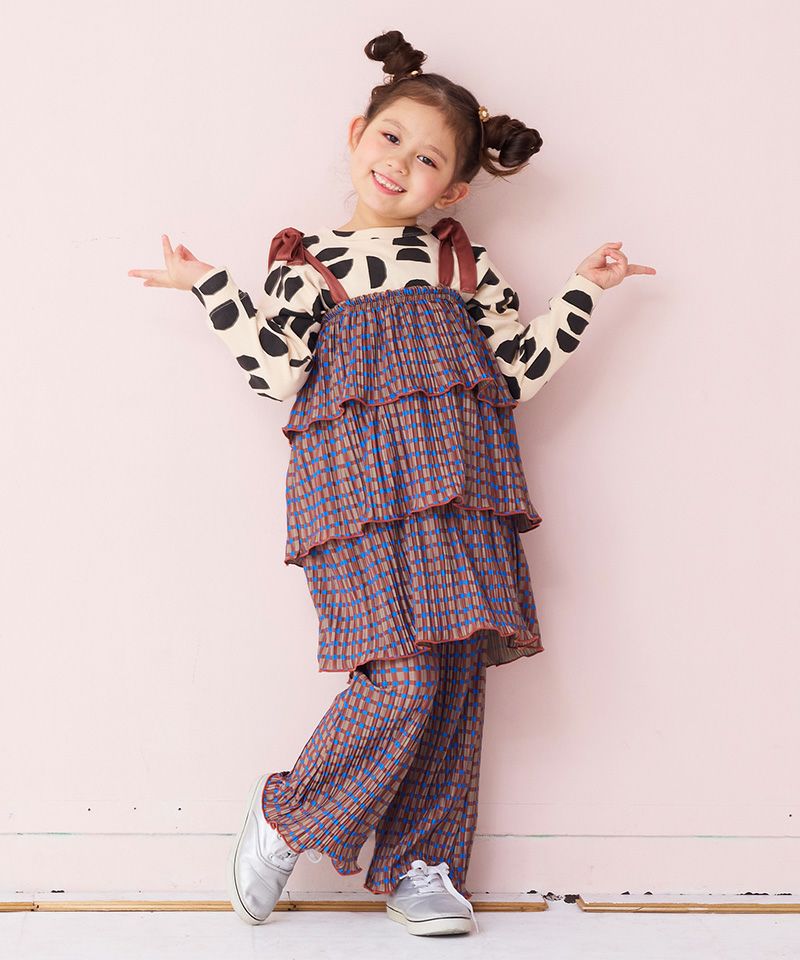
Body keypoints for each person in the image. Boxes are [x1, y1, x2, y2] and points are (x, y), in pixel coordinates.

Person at [128, 28, 655, 937]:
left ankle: (423, 864)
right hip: (354, 500)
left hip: (462, 493)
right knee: (403, 678)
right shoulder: (309, 263)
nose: (400, 163)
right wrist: (209, 284)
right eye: (391, 138)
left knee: (453, 682)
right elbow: (276, 372)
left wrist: (584, 291)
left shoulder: (463, 266)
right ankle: (288, 815)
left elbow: (514, 373)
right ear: (356, 134)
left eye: (428, 160)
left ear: (451, 191)